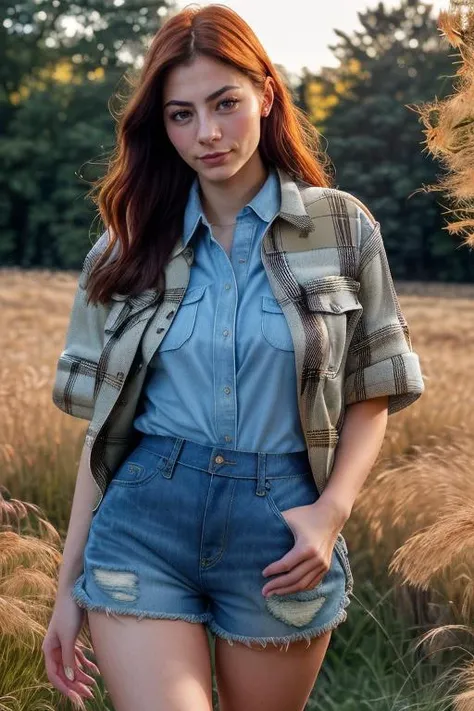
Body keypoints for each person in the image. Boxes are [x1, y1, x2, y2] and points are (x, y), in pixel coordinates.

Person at [42, 4, 425, 710]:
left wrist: (330, 513)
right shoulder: (124, 249)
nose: (207, 133)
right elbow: (104, 434)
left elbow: (372, 390)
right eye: (181, 115)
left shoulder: (342, 227)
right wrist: (67, 592)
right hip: (144, 521)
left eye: (225, 104)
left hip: (279, 528)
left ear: (267, 94)